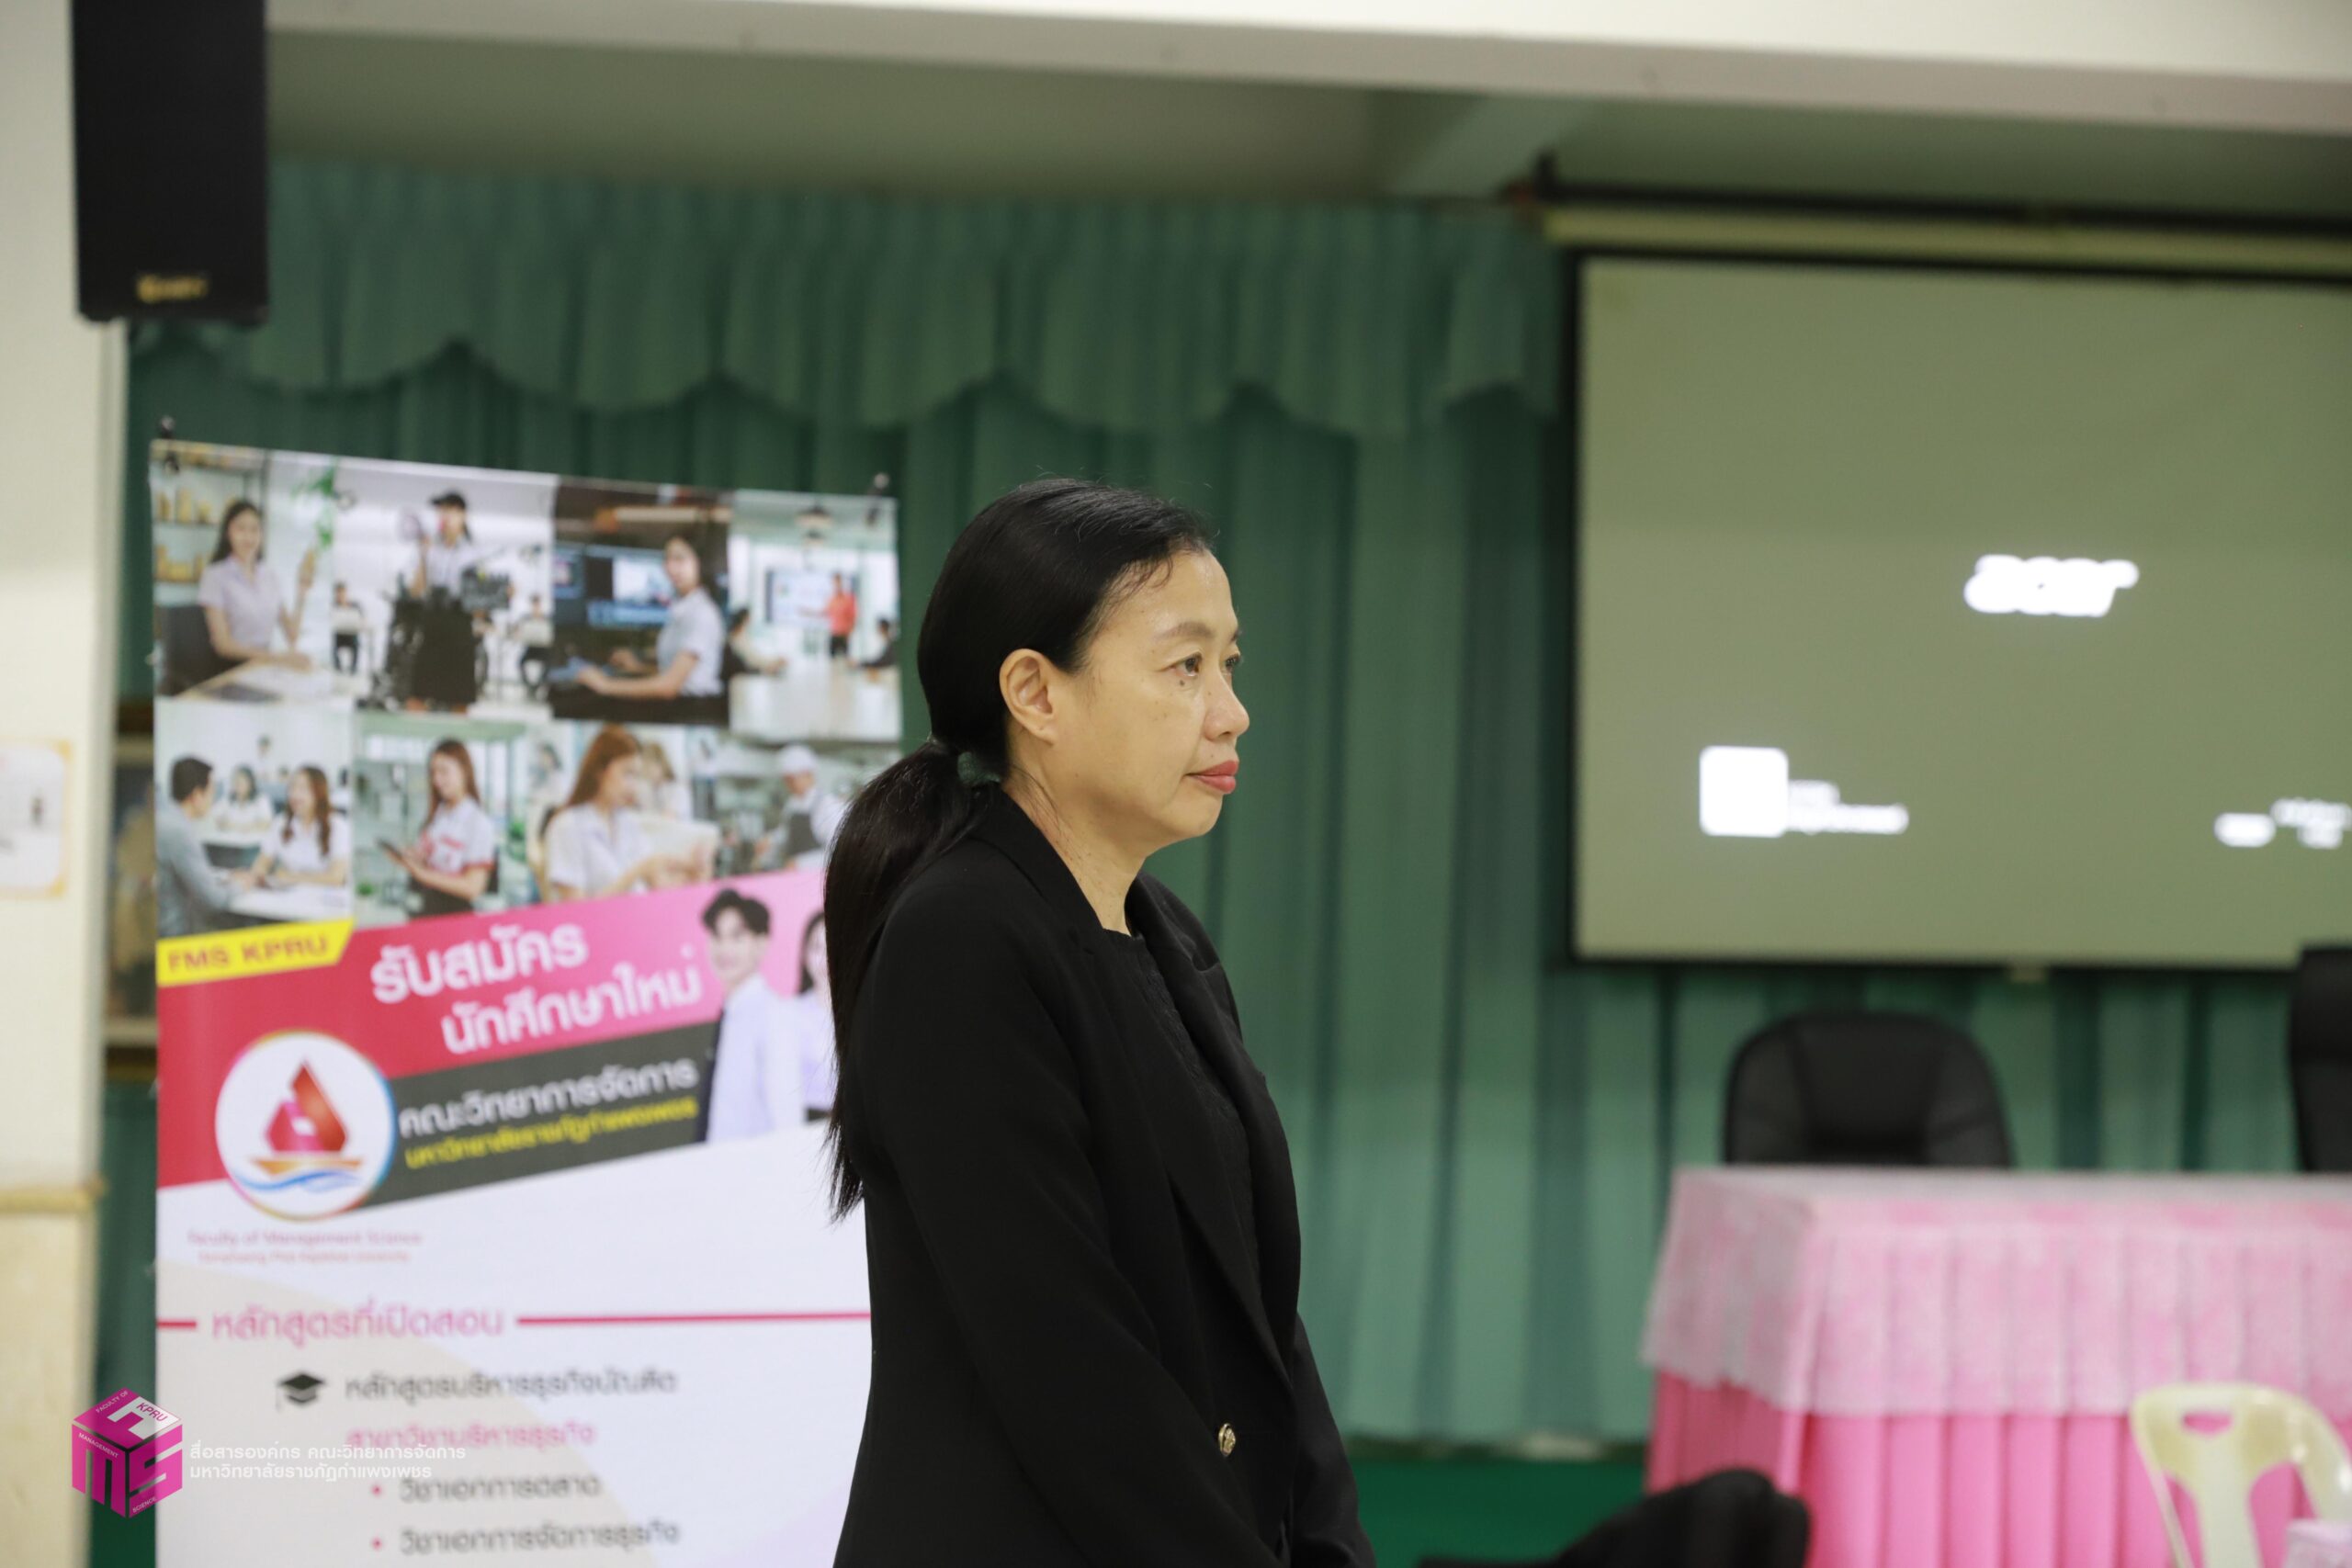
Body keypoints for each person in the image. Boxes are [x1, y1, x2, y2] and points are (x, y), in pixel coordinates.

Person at [822, 479, 1369, 1567]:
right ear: (1035, 692)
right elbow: (1066, 1360)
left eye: (1228, 664)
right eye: (1184, 667)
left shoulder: (1166, 932)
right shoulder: (962, 938)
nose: (1230, 712)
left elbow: (1257, 1320)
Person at [540, 726, 692, 901]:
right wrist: (636, 873)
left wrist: (691, 872)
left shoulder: (627, 823)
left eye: (637, 776)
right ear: (600, 771)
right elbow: (575, 907)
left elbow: (656, 884)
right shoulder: (567, 826)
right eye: (627, 774)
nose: (633, 787)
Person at [697, 889, 798, 1141]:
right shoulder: (730, 1013)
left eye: (737, 937)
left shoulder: (773, 1014)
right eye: (717, 936)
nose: (724, 948)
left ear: (761, 944)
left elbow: (786, 1118)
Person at [575, 534, 724, 702]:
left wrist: (604, 685)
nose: (670, 568)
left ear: (701, 562)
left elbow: (668, 687)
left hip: (692, 707)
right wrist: (638, 667)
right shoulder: (684, 607)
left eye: (679, 559)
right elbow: (675, 673)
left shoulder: (702, 613)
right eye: (667, 559)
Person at [386, 739, 499, 918]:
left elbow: (473, 888)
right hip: (426, 907)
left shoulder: (478, 822)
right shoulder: (440, 812)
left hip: (454, 915)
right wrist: (413, 857)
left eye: (444, 771)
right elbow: (435, 858)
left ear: (464, 770)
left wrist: (422, 874)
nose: (437, 780)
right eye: (433, 773)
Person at [196, 500, 314, 669]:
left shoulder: (269, 576)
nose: (248, 537)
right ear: (228, 532)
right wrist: (277, 658)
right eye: (241, 529)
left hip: (264, 666)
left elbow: (292, 635)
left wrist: (301, 593)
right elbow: (223, 645)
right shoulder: (215, 576)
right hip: (231, 668)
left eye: (254, 529)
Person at [156, 757, 237, 938]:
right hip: (173, 936)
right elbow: (214, 899)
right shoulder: (179, 831)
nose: (213, 800)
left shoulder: (165, 818)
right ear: (197, 795)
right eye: (212, 792)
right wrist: (241, 884)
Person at [241, 765, 350, 890]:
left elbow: (336, 878)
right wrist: (256, 875)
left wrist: (289, 876)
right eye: (292, 787)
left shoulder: (338, 826)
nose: (295, 794)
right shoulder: (280, 823)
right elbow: (261, 864)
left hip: (325, 899)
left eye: (303, 788)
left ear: (319, 793)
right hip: (287, 897)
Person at [778, 908, 835, 1118]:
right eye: (817, 948)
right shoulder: (789, 1013)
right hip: (808, 1121)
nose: (825, 959)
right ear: (804, 954)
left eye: (831, 947)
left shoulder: (865, 1006)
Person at [757, 743, 846, 872]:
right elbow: (786, 833)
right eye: (786, 781)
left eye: (792, 780)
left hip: (819, 876)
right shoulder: (792, 804)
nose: (789, 785)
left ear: (808, 774)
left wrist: (802, 863)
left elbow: (839, 851)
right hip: (796, 876)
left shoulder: (828, 805)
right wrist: (770, 841)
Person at [411, 491, 478, 598]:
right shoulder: (430, 550)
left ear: (463, 515)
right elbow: (414, 593)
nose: (444, 517)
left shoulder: (474, 554)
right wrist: (423, 556)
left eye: (449, 510)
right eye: (441, 511)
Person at [722, 605, 786, 681]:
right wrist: (771, 663)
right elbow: (751, 659)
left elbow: (754, 656)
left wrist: (772, 662)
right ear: (745, 619)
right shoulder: (738, 638)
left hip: (747, 673)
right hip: (744, 677)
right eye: (749, 618)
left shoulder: (739, 635)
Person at [209, 765, 273, 835]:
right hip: (230, 839)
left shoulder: (261, 799)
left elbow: (266, 824)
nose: (238, 785)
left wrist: (233, 825)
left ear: (251, 784)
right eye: (236, 781)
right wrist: (248, 826)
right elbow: (212, 817)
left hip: (254, 840)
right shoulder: (228, 799)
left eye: (241, 782)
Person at [330, 582, 366, 673]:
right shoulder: (333, 606)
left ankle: (353, 669)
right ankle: (338, 668)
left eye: (342, 592)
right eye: (338, 593)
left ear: (346, 593)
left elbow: (362, 619)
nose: (340, 595)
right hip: (339, 636)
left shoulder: (355, 606)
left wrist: (360, 623)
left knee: (356, 642)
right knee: (332, 642)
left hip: (351, 635)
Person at [823, 572, 857, 662]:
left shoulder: (849, 598)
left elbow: (853, 616)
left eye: (838, 581)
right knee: (832, 660)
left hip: (844, 634)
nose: (836, 584)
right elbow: (825, 612)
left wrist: (850, 632)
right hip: (834, 633)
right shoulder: (831, 599)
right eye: (835, 582)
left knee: (845, 659)